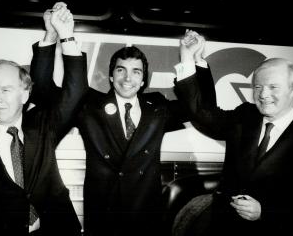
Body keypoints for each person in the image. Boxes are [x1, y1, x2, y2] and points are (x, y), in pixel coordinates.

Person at [30, 18, 215, 235]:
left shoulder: (158, 108)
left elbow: (203, 108)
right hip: (103, 219)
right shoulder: (88, 105)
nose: (128, 78)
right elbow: (43, 91)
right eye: (121, 70)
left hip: (146, 221)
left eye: (136, 71)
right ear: (110, 75)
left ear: (143, 79)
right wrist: (51, 35)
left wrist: (197, 58)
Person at [0, 3, 87, 236]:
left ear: (24, 94)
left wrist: (61, 36)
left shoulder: (43, 125)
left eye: (5, 90)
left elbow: (75, 92)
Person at [174, 30, 293, 236]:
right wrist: (191, 58)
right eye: (258, 86)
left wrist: (266, 212)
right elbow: (203, 114)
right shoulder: (246, 115)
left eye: (273, 87)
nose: (263, 94)